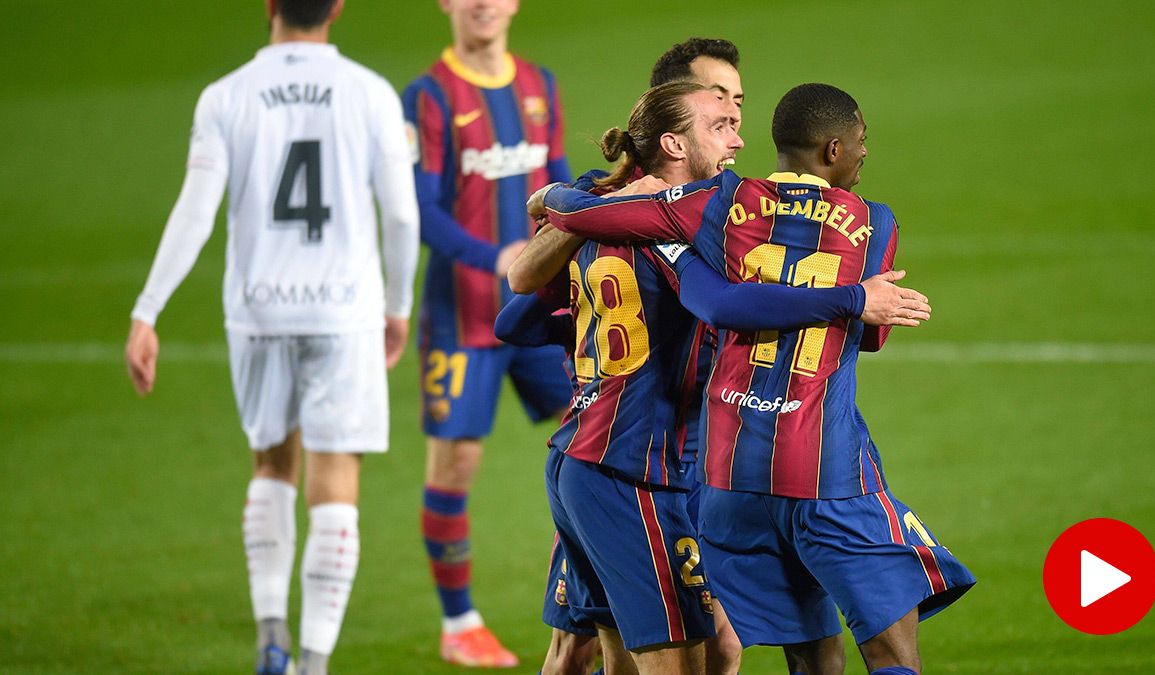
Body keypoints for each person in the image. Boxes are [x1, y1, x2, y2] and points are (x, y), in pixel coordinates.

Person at [530, 83, 976, 675]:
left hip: (728, 480)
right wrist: (851, 298)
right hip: (823, 472)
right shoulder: (874, 223)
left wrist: (561, 191)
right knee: (889, 654)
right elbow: (867, 333)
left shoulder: (714, 203)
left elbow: (705, 297)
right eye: (862, 143)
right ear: (836, 148)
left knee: (787, 648)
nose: (865, 154)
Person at [123, 2, 419, 674]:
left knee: (271, 467)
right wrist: (395, 304)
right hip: (345, 313)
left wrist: (148, 310)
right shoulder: (370, 93)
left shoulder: (226, 96)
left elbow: (196, 211)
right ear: (337, 7)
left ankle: (269, 638)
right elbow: (401, 216)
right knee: (335, 481)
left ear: (268, 5)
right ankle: (312, 663)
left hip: (258, 311)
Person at [400, 0, 574, 667]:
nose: (483, 3)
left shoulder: (540, 85)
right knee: (457, 464)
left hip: (541, 315)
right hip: (463, 317)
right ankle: (459, 622)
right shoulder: (429, 96)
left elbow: (558, 185)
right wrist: (496, 258)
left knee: (593, 442)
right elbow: (419, 209)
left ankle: (580, 595)